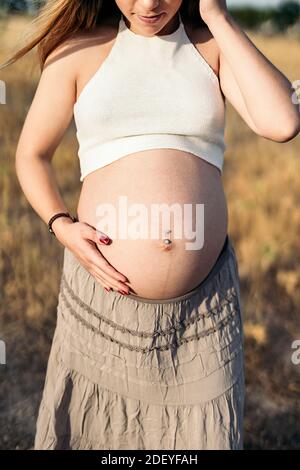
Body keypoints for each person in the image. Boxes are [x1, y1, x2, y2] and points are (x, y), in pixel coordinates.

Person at [2, 0, 299, 450]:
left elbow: (282, 121)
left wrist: (217, 14)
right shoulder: (81, 50)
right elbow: (31, 154)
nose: (147, 4)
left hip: (202, 317)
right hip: (102, 307)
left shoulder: (211, 49)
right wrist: (60, 224)